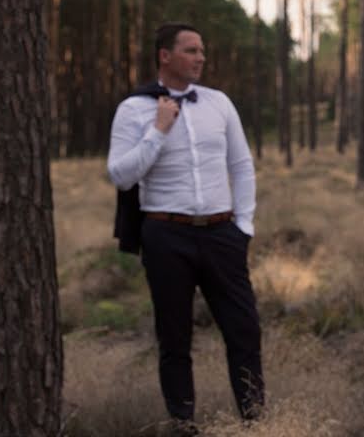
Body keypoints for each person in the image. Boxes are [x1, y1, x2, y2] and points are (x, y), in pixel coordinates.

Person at [107, 23, 264, 431]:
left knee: (243, 330)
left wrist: (243, 225)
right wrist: (158, 130)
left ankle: (254, 420)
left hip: (222, 234)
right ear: (165, 56)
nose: (201, 58)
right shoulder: (133, 109)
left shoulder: (218, 103)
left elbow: (241, 166)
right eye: (191, 50)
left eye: (202, 50)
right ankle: (183, 424)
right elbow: (121, 176)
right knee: (174, 340)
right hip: (165, 236)